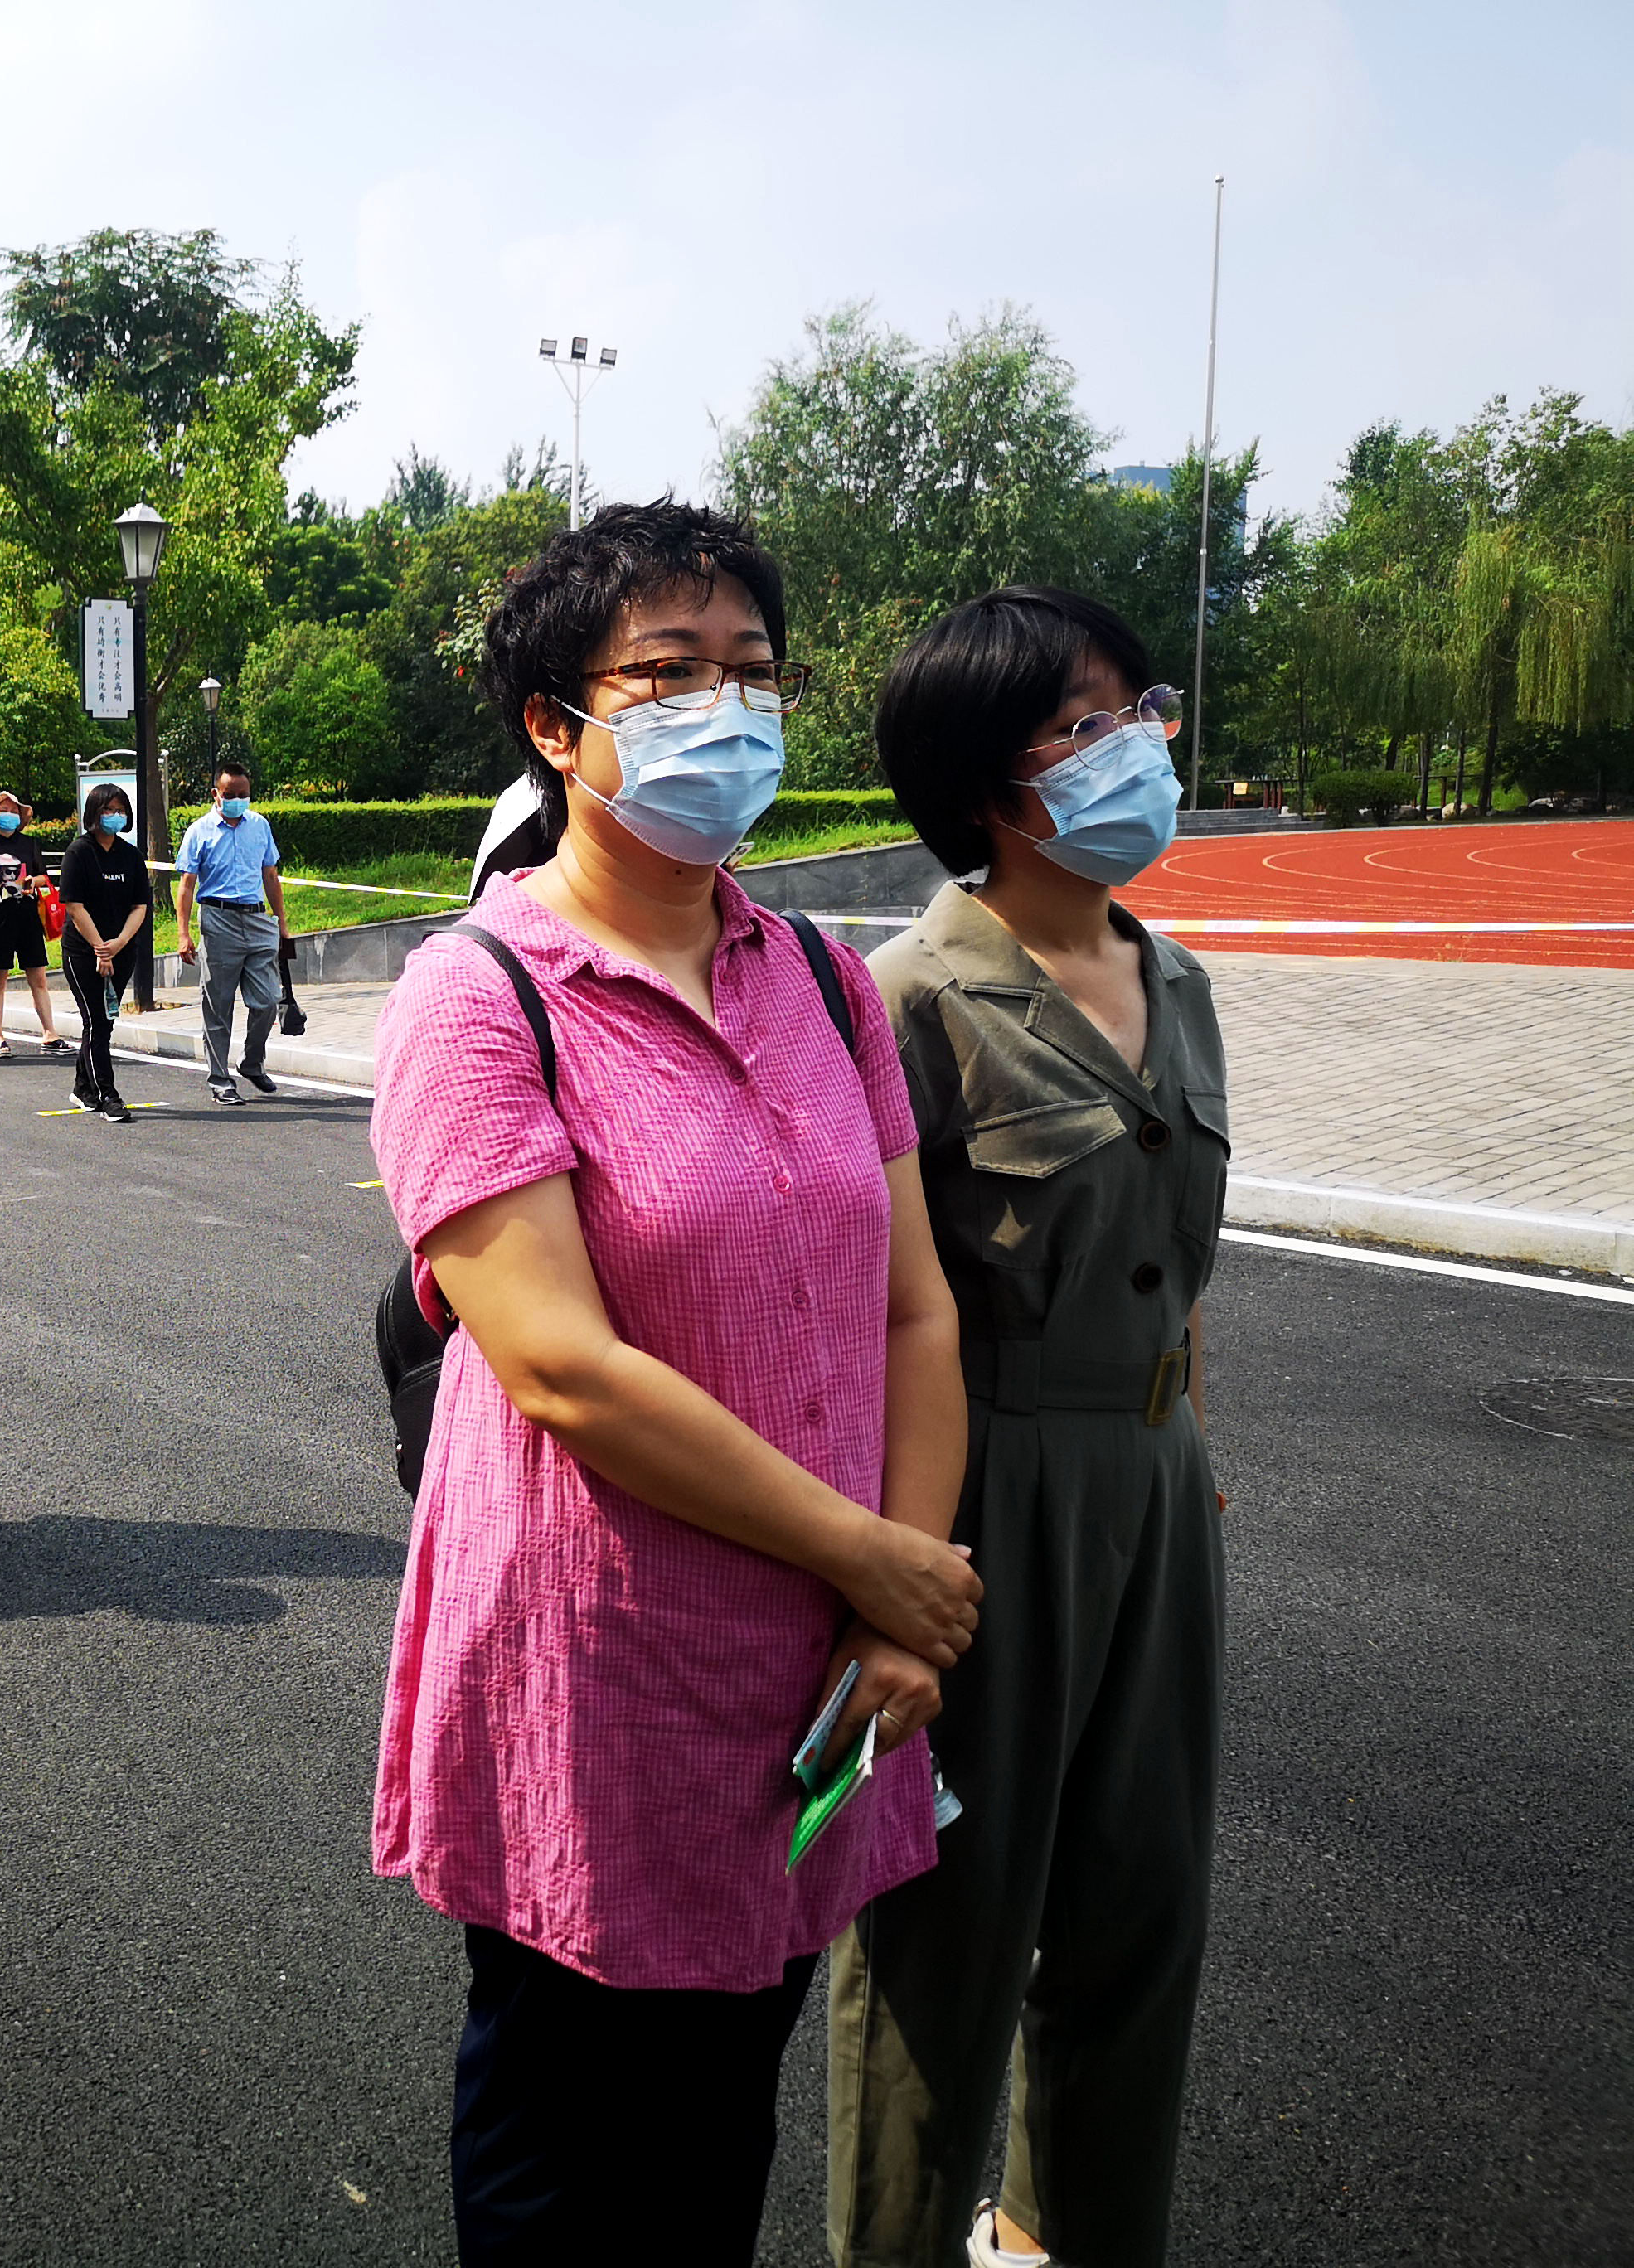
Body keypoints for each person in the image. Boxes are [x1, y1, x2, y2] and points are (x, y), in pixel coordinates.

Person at [367, 501, 979, 2265]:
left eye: (755, 672)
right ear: (558, 725)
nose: (731, 708)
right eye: (675, 673)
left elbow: (913, 1313)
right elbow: (559, 1366)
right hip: (599, 1662)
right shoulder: (480, 996)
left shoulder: (823, 980)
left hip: (807, 1663)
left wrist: (896, 1604)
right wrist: (871, 1559)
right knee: (573, 2139)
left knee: (722, 2123)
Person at [827, 591, 1229, 2268]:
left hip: (1158, 1488)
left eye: (1137, 704)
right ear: (997, 785)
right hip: (984, 1498)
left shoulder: (1176, 974)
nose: (1143, 740)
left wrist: (1191, 1455)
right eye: (1091, 721)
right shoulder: (907, 997)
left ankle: (1065, 2235)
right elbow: (875, 1319)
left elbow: (1169, 1262)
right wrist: (886, 1585)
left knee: (1146, 1910)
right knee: (948, 1937)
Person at [172, 763, 286, 1103]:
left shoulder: (259, 826)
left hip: (257, 920)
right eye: (230, 795)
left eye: (243, 795)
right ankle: (220, 1078)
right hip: (218, 920)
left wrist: (281, 921)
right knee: (218, 1006)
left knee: (268, 1001)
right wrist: (183, 933)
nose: (237, 800)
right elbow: (186, 885)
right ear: (216, 795)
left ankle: (251, 1062)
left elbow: (271, 876)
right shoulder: (200, 831)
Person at [56, 783, 150, 1124]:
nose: (115, 816)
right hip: (83, 951)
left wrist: (118, 943)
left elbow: (140, 906)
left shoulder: (130, 855)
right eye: (108, 810)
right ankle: (108, 1093)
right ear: (94, 813)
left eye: (120, 810)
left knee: (102, 1022)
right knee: (96, 1021)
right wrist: (100, 947)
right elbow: (75, 907)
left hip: (122, 949)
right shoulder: (79, 852)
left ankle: (84, 1086)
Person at [0, 792, 65, 1058]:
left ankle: (49, 1034)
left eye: (14, 810)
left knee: (39, 977)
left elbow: (44, 877)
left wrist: (32, 881)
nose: (9, 814)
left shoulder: (30, 844)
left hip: (28, 915)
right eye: (4, 809)